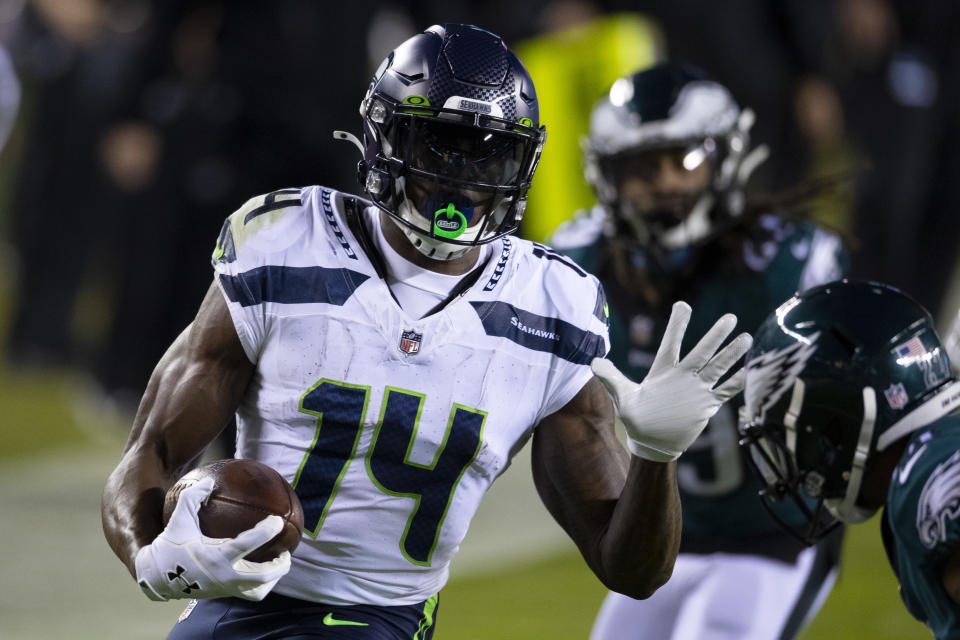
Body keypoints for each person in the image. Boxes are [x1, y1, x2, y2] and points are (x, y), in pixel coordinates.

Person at [100, 24, 752, 639]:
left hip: (382, 620)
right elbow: (148, 455)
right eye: (441, 145)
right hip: (239, 608)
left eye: (489, 155)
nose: (462, 181)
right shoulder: (287, 246)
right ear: (386, 141)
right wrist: (151, 558)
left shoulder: (554, 306)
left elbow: (631, 570)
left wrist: (657, 459)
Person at [550, 63, 848, 640]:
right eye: (640, 166)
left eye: (684, 160)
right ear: (606, 176)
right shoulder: (582, 261)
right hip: (666, 535)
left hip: (774, 535)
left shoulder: (787, 267)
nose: (663, 182)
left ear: (726, 159)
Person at [739, 279, 960, 639]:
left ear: (839, 424)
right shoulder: (927, 463)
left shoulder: (925, 477)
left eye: (794, 437)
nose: (797, 464)